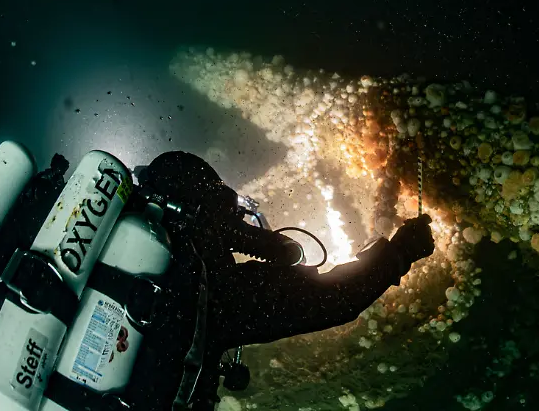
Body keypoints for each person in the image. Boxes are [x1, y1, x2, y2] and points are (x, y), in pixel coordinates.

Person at [134, 151, 436, 410]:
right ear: (207, 209)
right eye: (228, 211)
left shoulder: (141, 282)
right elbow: (335, 299)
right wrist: (401, 252)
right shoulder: (212, 295)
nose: (237, 222)